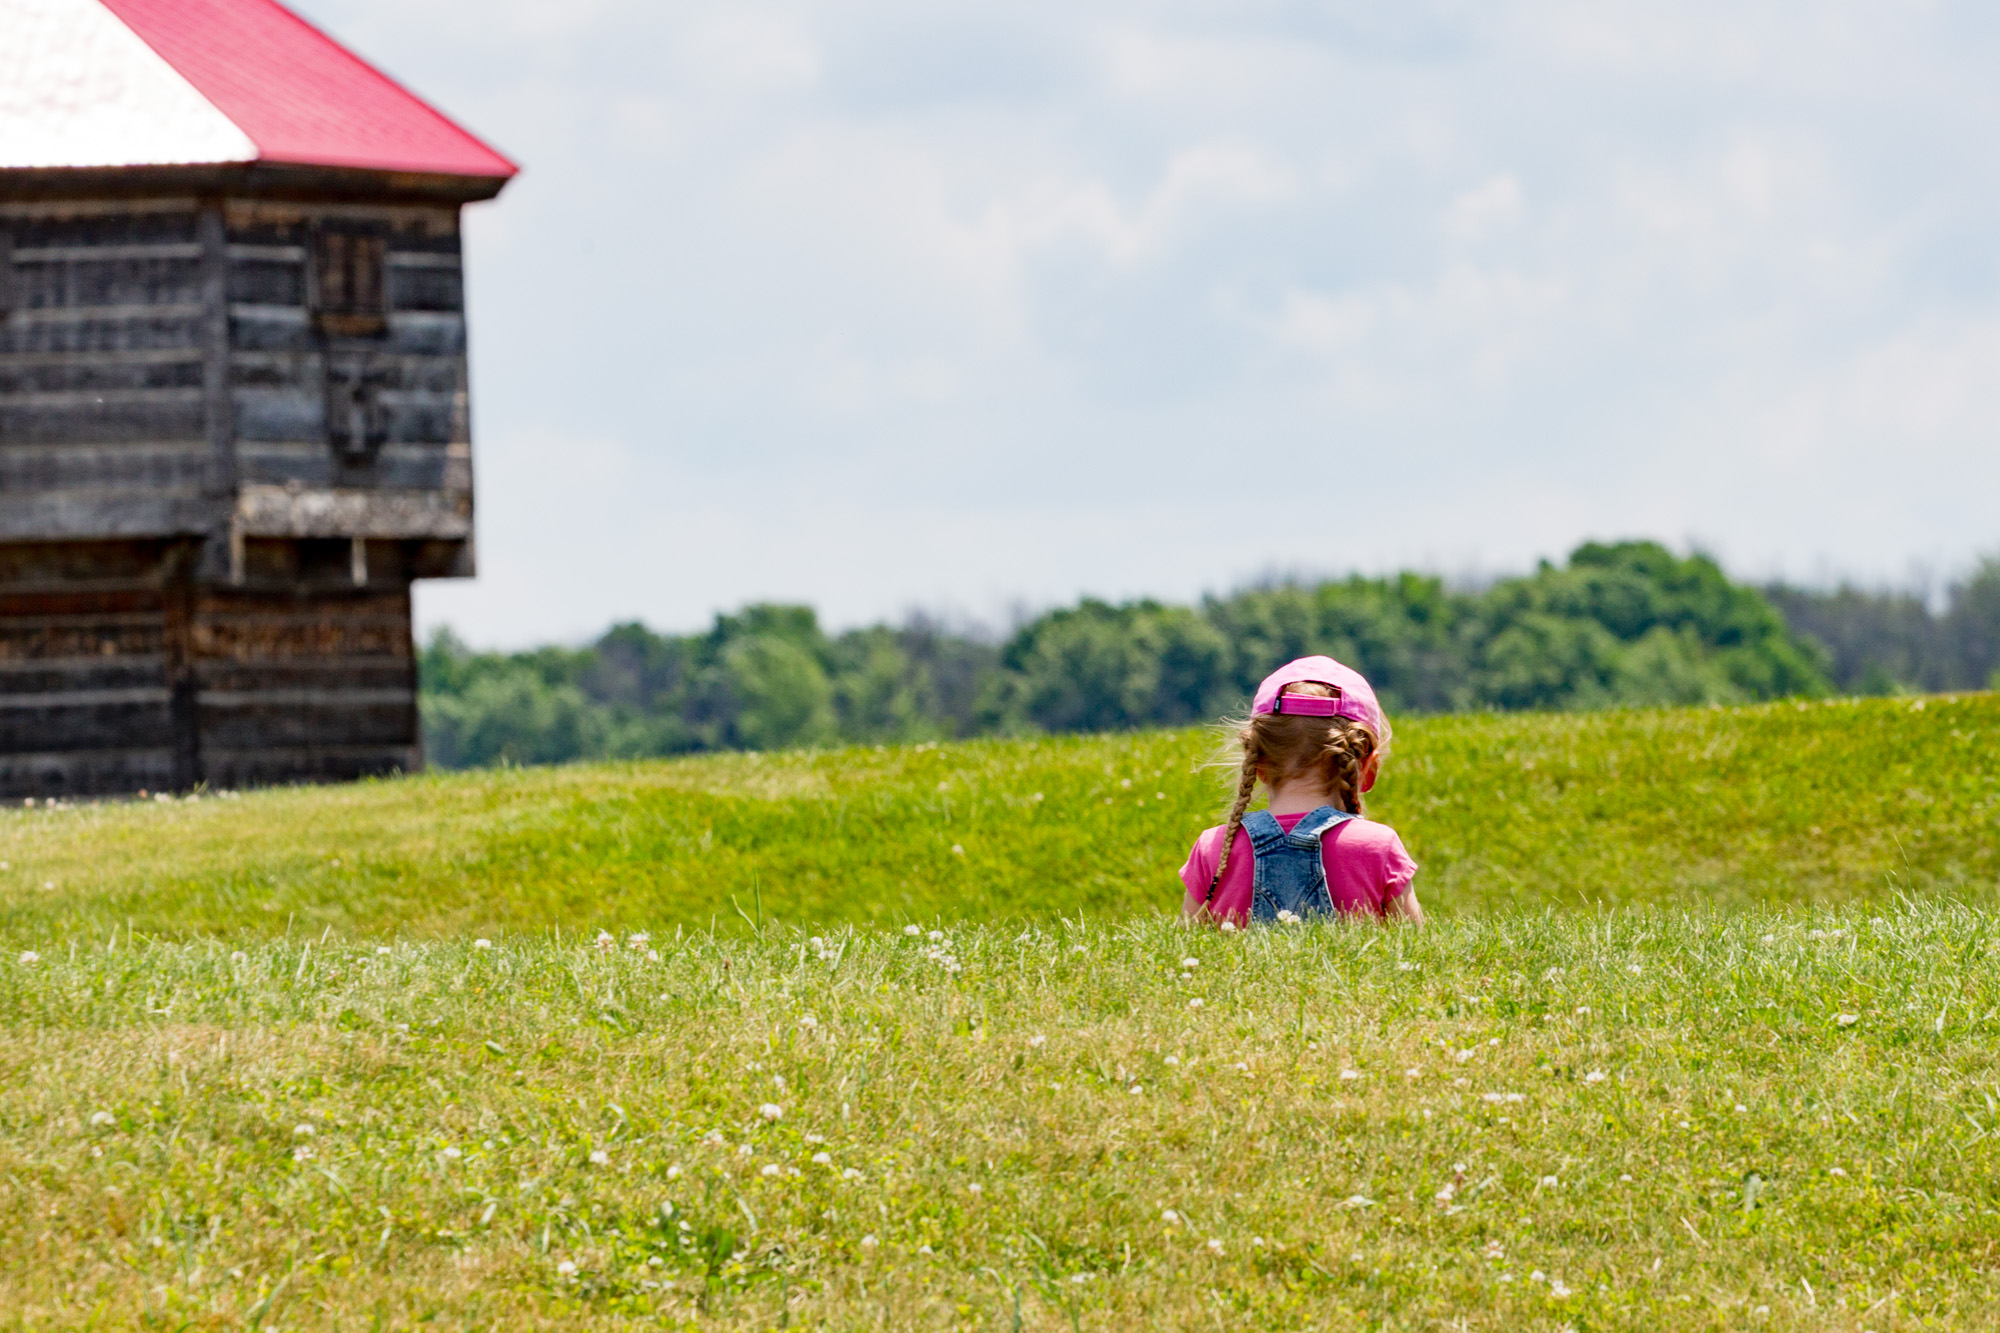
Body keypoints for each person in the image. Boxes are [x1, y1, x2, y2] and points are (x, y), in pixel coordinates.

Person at [1180, 655, 1422, 926]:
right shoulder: (1377, 846)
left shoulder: (1212, 848)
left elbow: (1187, 943)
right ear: (1370, 768)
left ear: (1258, 764)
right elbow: (1414, 943)